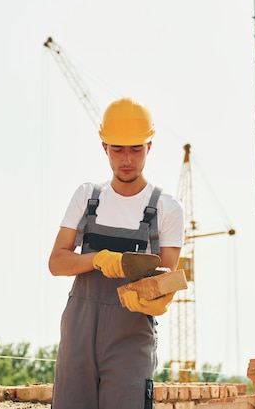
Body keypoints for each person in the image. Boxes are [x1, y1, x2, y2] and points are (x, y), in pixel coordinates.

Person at [48, 97, 185, 409]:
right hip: (79, 328)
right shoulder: (87, 197)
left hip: (131, 331)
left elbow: (166, 277)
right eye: (118, 149)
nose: (127, 159)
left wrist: (158, 300)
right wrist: (98, 259)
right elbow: (57, 262)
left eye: (135, 148)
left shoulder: (167, 208)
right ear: (104, 147)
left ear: (149, 146)